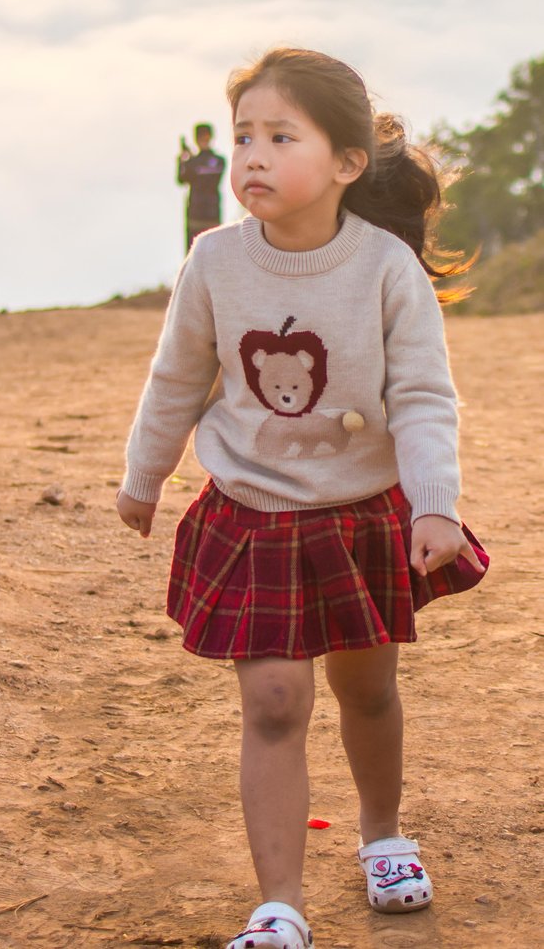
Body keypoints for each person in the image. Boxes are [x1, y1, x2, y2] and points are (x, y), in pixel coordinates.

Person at [117, 47, 488, 949]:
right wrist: (144, 475)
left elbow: (423, 396)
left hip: (361, 513)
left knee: (367, 690)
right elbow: (177, 379)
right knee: (275, 703)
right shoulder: (213, 261)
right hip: (255, 517)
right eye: (244, 135)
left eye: (281, 137)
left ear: (346, 162)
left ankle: (382, 836)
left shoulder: (385, 269)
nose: (252, 156)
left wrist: (433, 503)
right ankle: (278, 906)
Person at [177, 122, 226, 252]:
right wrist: (183, 161)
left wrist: (186, 161)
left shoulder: (217, 160)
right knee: (193, 255)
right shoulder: (216, 161)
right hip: (196, 216)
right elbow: (181, 180)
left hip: (210, 215)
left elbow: (184, 178)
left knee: (212, 256)